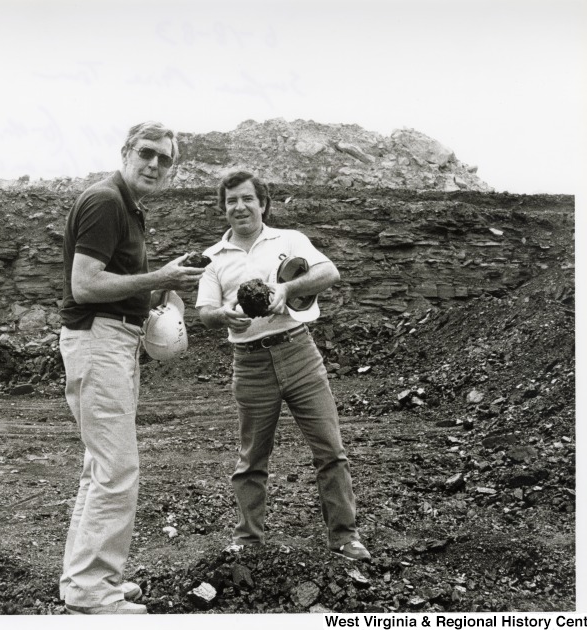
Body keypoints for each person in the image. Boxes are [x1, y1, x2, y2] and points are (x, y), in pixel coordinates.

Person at [58, 121, 205, 615]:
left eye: (166, 160)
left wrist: (160, 287)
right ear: (125, 151)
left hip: (114, 341)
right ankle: (92, 594)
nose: (155, 165)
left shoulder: (127, 208)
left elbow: (116, 278)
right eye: (147, 153)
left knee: (100, 469)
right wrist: (160, 276)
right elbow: (85, 285)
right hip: (99, 339)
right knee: (117, 470)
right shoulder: (105, 201)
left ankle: (88, 578)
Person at [195, 170, 371, 562]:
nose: (239, 206)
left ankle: (345, 536)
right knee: (251, 458)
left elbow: (330, 273)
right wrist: (223, 315)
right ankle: (248, 540)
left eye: (246, 198)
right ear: (223, 208)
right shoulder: (214, 258)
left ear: (262, 203)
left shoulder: (289, 240)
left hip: (299, 353)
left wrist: (287, 289)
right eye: (231, 201)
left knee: (330, 450)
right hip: (250, 363)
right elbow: (204, 311)